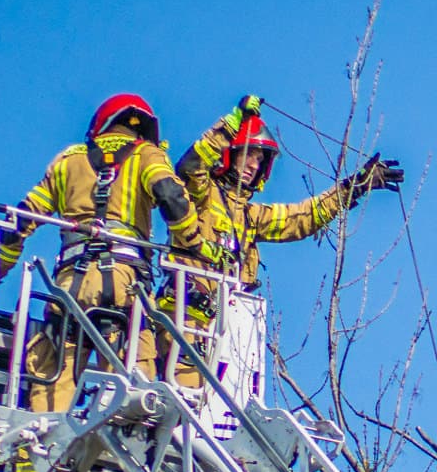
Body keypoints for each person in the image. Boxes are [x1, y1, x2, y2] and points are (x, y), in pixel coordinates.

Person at [0, 93, 218, 412]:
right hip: (124, 286)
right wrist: (195, 243)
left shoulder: (69, 161)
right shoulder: (147, 155)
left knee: (51, 383)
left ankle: (37, 452)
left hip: (70, 285)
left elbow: (19, 223)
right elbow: (171, 196)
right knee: (134, 391)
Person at [153, 96, 403, 382]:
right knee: (187, 403)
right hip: (185, 322)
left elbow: (305, 217)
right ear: (230, 154)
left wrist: (354, 187)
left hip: (229, 334)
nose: (253, 165)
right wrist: (232, 123)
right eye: (248, 154)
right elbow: (190, 167)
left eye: (260, 159)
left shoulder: (250, 216)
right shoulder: (201, 194)